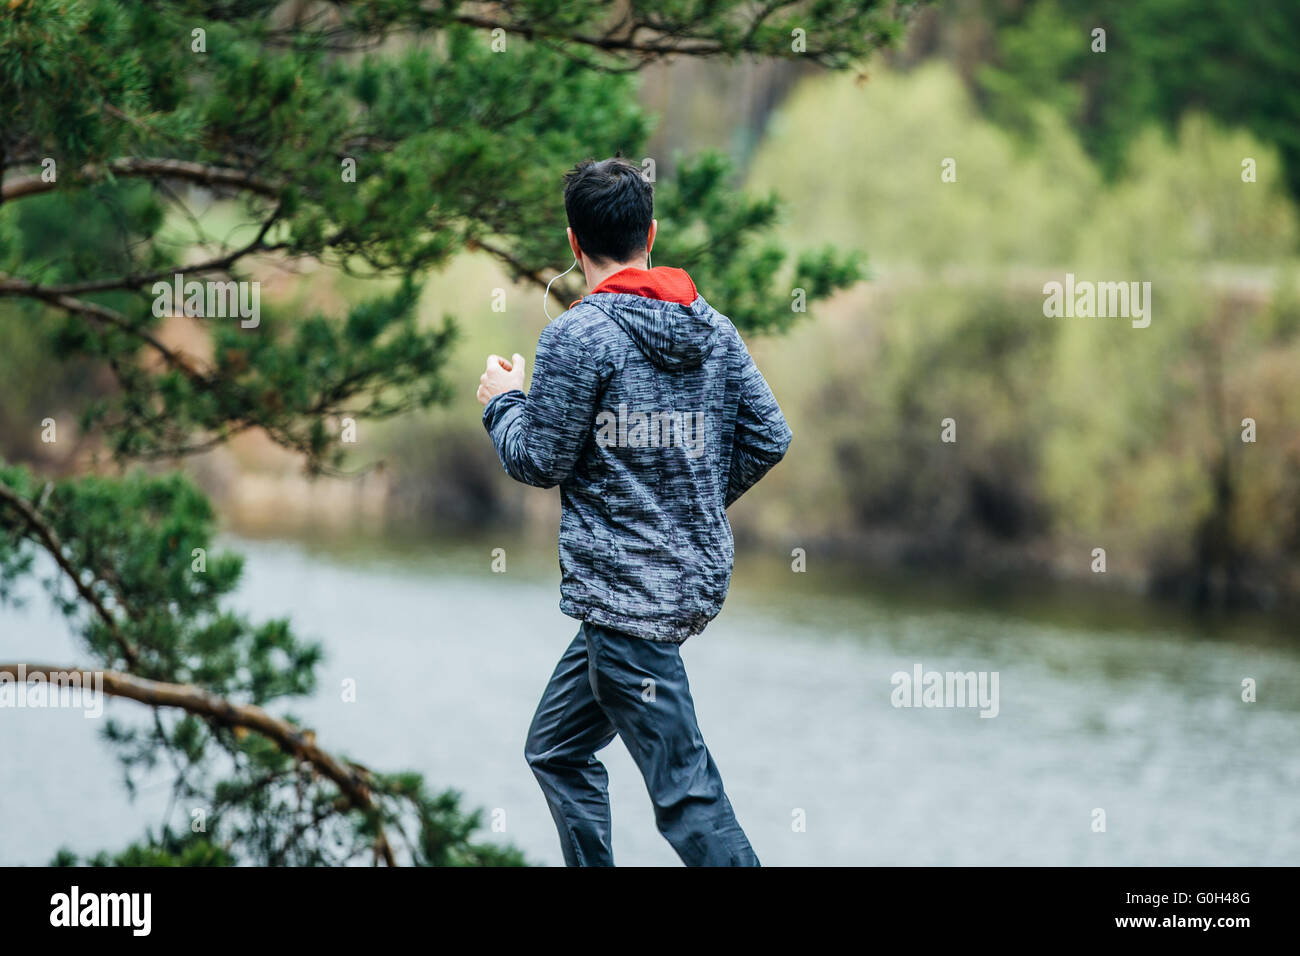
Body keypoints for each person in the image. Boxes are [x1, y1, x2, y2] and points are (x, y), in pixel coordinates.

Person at [477, 156, 791, 866]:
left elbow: (538, 460)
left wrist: (501, 400)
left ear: (573, 242)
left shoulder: (576, 336)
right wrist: (692, 503)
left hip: (628, 601)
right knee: (555, 749)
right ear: (650, 231)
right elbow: (770, 436)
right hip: (663, 590)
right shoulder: (711, 327)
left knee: (685, 795)